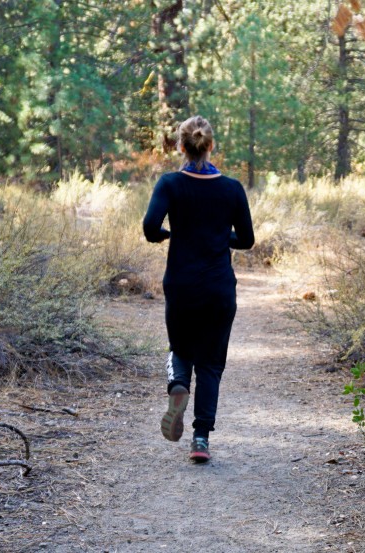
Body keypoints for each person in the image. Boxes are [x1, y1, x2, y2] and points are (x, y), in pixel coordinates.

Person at [142, 115, 255, 463]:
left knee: (180, 347)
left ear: (181, 146)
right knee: (210, 364)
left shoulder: (170, 184)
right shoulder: (232, 188)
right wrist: (218, 237)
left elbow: (149, 227)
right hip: (218, 288)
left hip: (181, 285)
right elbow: (247, 240)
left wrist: (173, 234)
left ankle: (178, 385)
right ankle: (201, 439)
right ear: (210, 145)